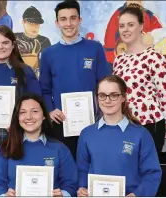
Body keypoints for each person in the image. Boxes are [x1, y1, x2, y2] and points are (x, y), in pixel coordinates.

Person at [39, 0, 112, 159]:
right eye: (63, 19)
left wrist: (102, 111)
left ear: (80, 20)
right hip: (62, 123)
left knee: (93, 165)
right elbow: (44, 89)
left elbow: (105, 85)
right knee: (66, 170)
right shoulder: (48, 54)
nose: (69, 23)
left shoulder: (95, 48)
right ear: (57, 23)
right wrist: (51, 110)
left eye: (73, 18)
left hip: (93, 122)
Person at [77, 75, 162, 197]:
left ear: (123, 97)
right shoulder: (86, 134)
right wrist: (82, 188)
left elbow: (152, 173)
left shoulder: (141, 134)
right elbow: (82, 169)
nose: (107, 100)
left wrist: (137, 194)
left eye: (113, 95)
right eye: (102, 95)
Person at [0, 93, 78, 197]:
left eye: (35, 111)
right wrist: (4, 196)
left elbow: (71, 184)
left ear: (44, 115)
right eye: (22, 112)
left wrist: (63, 194)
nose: (29, 117)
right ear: (17, 117)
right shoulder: (6, 148)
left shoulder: (60, 149)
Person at [112, 4, 166, 155]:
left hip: (149, 126)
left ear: (141, 26)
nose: (125, 29)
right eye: (122, 26)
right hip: (123, 126)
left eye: (130, 25)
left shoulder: (154, 57)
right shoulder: (119, 60)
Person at [104, 0, 163, 65]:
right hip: (123, 59)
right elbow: (109, 41)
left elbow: (161, 36)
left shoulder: (150, 16)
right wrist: (114, 57)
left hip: (146, 59)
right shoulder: (117, 15)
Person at [15, 6, 51, 77]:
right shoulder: (14, 38)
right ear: (23, 22)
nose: (34, 27)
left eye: (37, 24)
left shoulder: (44, 41)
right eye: (31, 23)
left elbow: (48, 65)